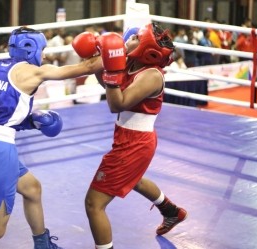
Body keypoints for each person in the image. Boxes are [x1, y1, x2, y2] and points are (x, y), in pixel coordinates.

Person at [0, 26, 100, 249]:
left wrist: (33, 121)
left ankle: (42, 244)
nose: (43, 55)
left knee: (32, 188)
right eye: (42, 49)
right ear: (30, 48)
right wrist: (118, 51)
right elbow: (87, 67)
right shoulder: (33, 72)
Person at [72, 23, 188, 249]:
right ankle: (171, 211)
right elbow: (109, 86)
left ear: (146, 48)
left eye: (136, 37)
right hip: (127, 137)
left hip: (135, 144)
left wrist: (112, 72)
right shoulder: (131, 62)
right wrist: (100, 64)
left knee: (93, 204)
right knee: (132, 179)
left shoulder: (152, 76)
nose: (129, 37)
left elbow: (117, 104)